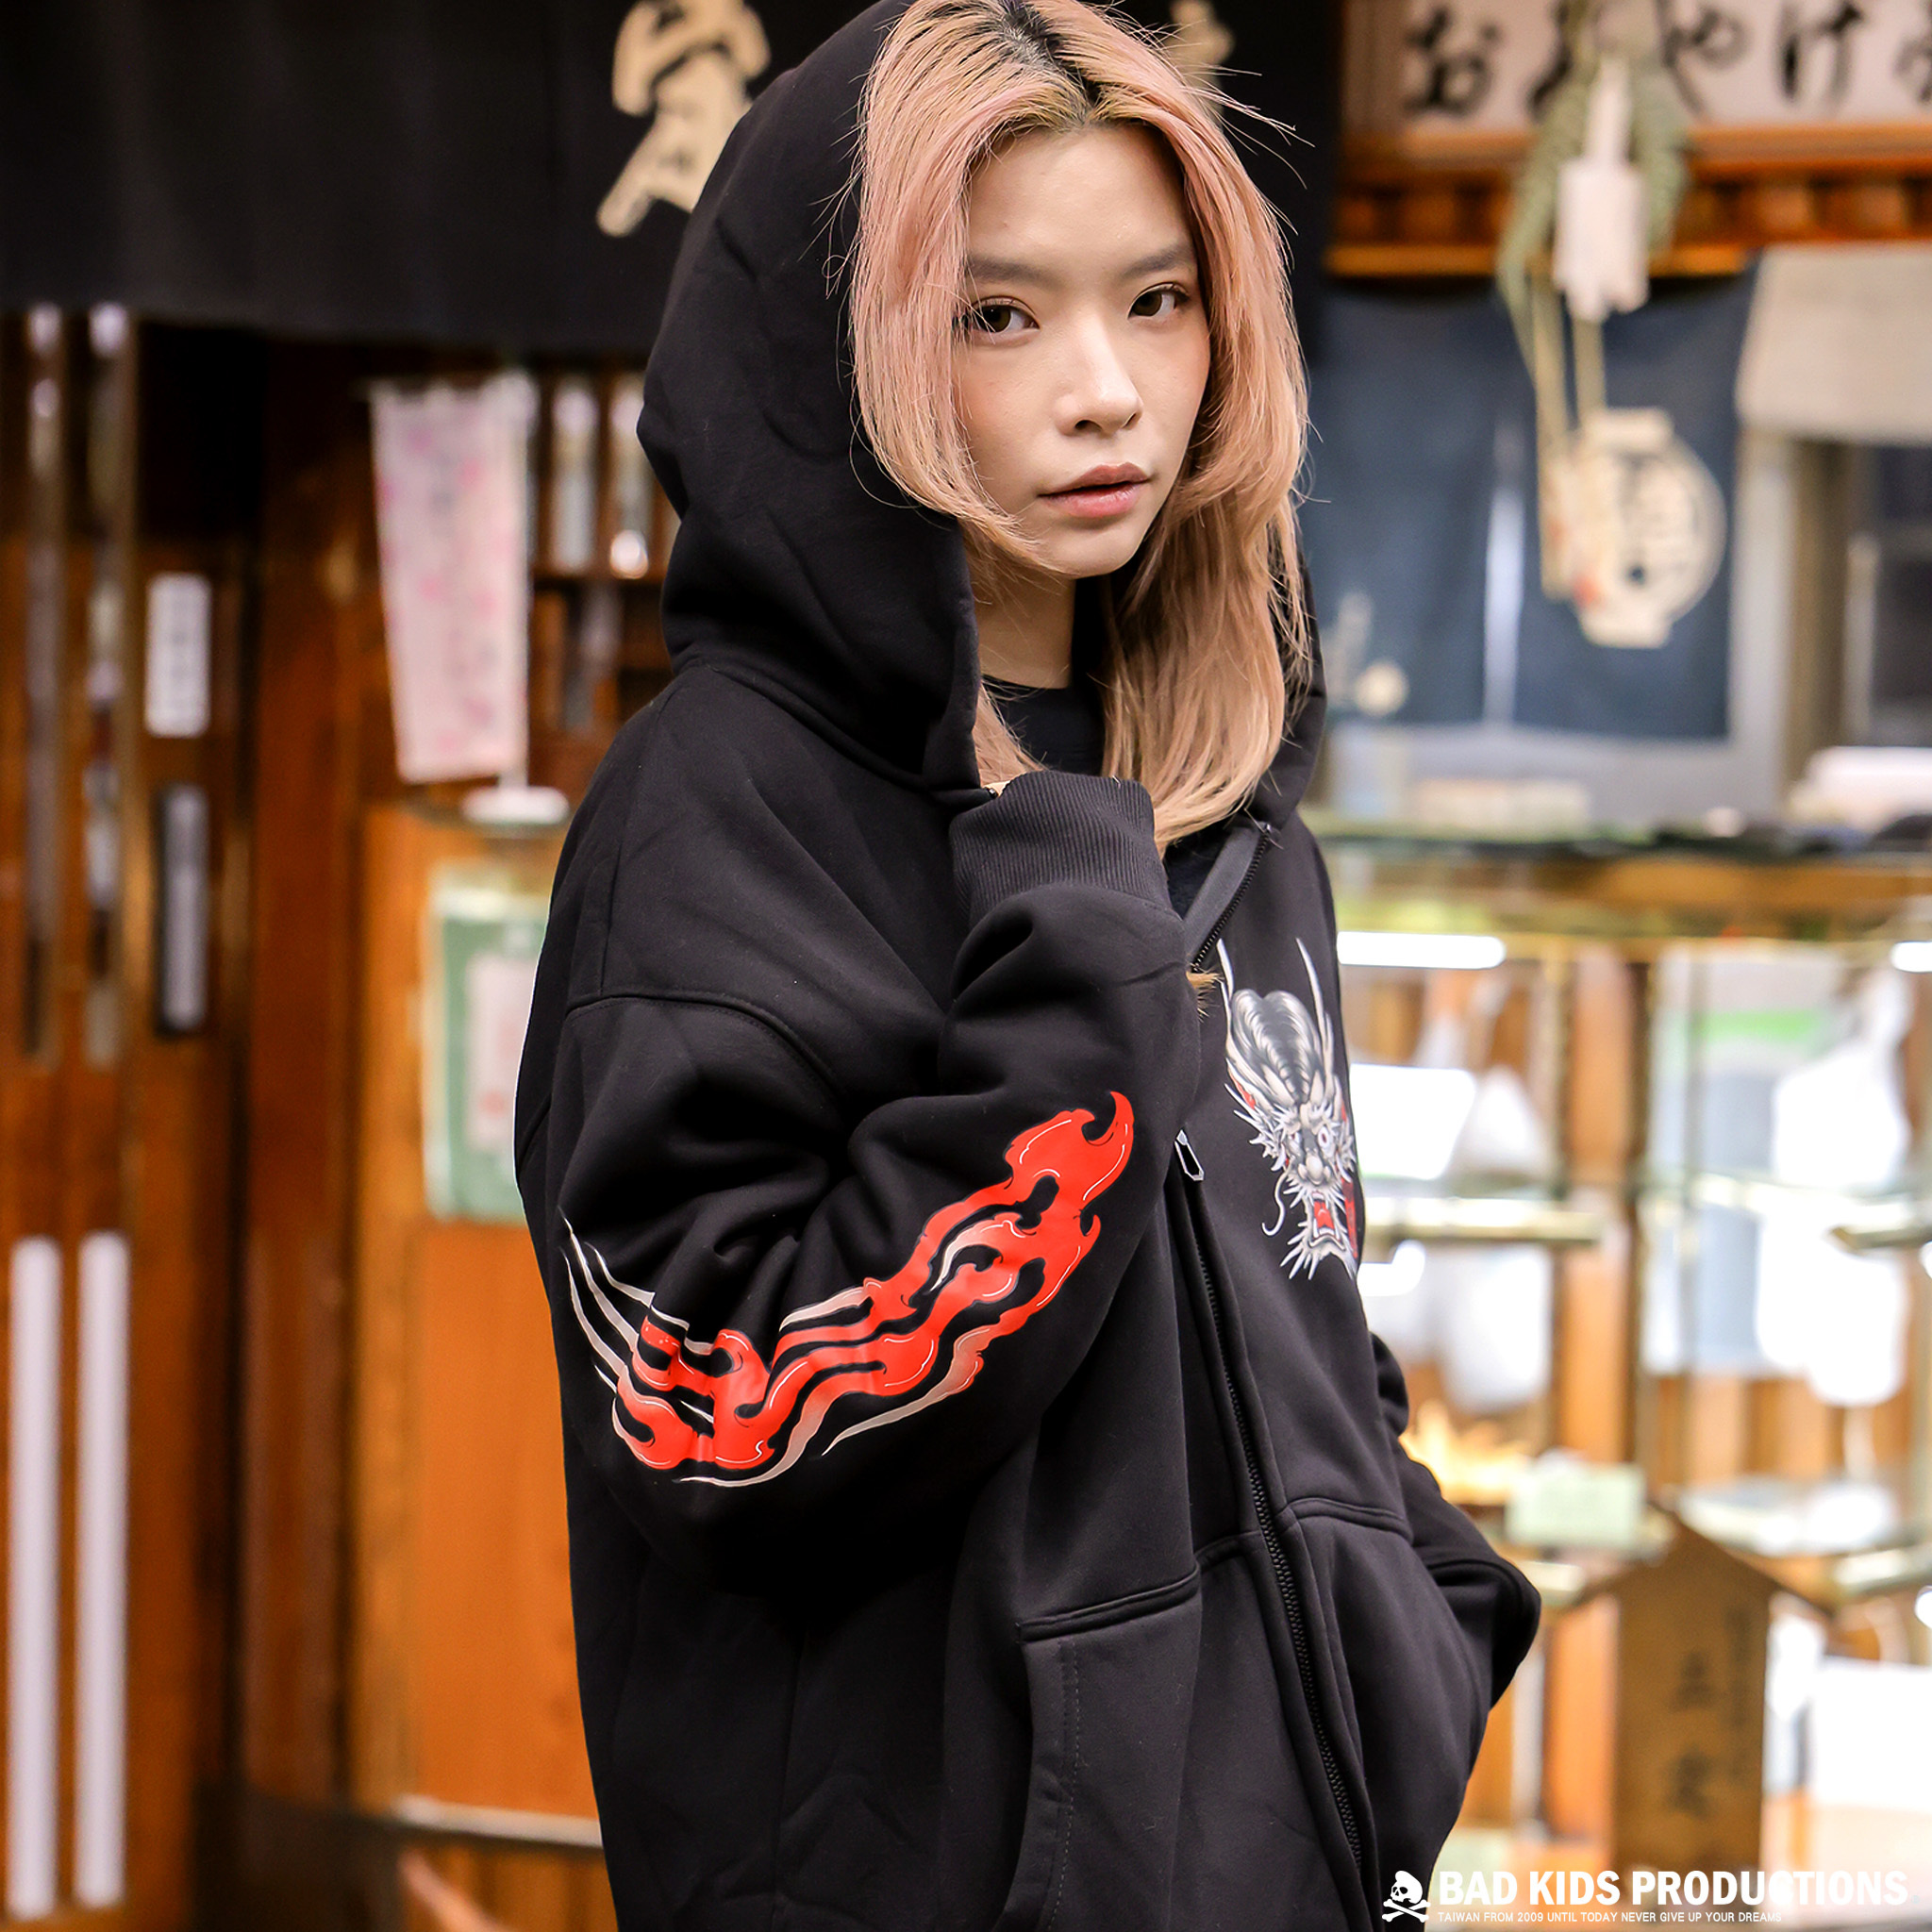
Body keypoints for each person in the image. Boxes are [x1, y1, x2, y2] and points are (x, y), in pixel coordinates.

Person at [514, 2, 1540, 1926]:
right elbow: (717, 1416)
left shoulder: (1229, 805)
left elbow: (1299, 1296)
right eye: (998, 315)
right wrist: (1075, 957)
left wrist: (1419, 1612)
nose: (1107, 392)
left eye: (1158, 301)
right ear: (845, 351)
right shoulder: (720, 810)